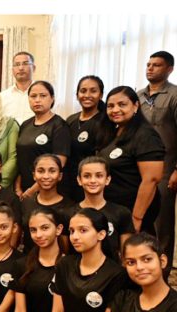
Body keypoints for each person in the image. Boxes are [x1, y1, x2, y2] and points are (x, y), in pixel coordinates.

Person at [49, 208, 126, 312]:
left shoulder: (116, 274)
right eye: (72, 231)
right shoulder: (64, 264)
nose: (75, 236)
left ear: (101, 234)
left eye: (83, 230)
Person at [97, 86, 165, 234]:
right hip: (114, 211)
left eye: (122, 104)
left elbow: (151, 180)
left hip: (133, 213)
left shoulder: (145, 135)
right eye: (110, 106)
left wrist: (136, 218)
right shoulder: (114, 132)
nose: (115, 110)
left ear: (135, 106)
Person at [137, 51, 177, 270]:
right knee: (140, 220)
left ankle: (162, 274)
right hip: (140, 168)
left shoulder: (174, 95)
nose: (150, 68)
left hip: (165, 169)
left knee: (162, 225)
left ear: (169, 69)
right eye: (148, 64)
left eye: (157, 65)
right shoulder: (138, 95)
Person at [105, 233, 177, 312]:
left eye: (147, 259)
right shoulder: (122, 298)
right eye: (131, 262)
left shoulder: (173, 306)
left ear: (162, 261)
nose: (139, 267)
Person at [10, 207, 63, 312]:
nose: (38, 235)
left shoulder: (68, 265)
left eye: (45, 228)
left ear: (58, 229)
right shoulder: (22, 264)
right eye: (33, 230)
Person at [15, 81, 71, 199]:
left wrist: (32, 190)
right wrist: (17, 187)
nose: (37, 100)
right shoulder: (25, 125)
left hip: (47, 191)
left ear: (52, 99)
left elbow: (59, 163)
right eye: (33, 96)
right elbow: (21, 159)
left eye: (43, 96)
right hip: (23, 191)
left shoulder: (59, 126)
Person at [73, 156, 134, 262]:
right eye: (87, 176)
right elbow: (67, 249)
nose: (93, 180)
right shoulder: (69, 213)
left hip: (112, 273)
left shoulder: (121, 213)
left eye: (99, 176)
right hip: (76, 274)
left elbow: (127, 253)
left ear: (107, 179)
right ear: (79, 180)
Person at [20, 154, 75, 253]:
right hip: (28, 261)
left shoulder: (69, 208)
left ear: (60, 176)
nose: (46, 176)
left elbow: (65, 248)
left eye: (52, 171)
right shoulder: (26, 202)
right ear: (34, 175)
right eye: (40, 171)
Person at [66, 76, 106, 202]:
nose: (87, 95)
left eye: (93, 91)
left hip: (90, 183)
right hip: (68, 181)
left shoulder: (105, 122)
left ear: (100, 95)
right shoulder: (70, 120)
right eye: (83, 91)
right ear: (77, 95)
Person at [1, 51, 36, 125]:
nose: (20, 68)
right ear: (12, 70)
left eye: (25, 64)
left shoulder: (42, 95)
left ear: (33, 68)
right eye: (17, 65)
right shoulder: (3, 96)